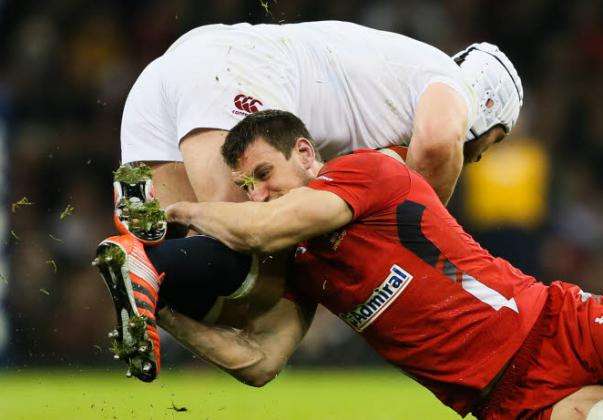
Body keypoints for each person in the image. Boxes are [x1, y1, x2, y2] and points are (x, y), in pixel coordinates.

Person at [97, 21, 523, 382]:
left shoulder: (387, 93)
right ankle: (150, 256)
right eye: (496, 139)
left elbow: (263, 364)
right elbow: (436, 145)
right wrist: (419, 238)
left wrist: (163, 310)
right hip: (230, 69)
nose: (483, 155)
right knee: (251, 243)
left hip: (173, 75)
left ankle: (150, 251)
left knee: (205, 264)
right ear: (488, 105)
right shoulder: (449, 83)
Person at [147, 110, 603, 419]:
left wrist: (181, 211)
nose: (260, 195)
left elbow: (260, 228)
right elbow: (261, 362)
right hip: (504, 403)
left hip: (560, 328)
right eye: (248, 187)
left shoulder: (364, 172)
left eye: (264, 175)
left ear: (305, 153)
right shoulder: (302, 264)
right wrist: (158, 305)